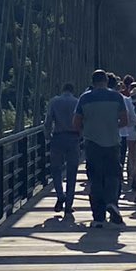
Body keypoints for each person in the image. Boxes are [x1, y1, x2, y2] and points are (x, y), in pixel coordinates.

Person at [73, 70, 127, 228]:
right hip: (113, 141)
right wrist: (111, 126)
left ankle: (98, 216)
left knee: (95, 178)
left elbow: (76, 123)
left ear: (93, 81)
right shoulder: (117, 97)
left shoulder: (85, 98)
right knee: (113, 175)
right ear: (106, 80)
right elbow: (124, 121)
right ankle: (112, 202)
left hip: (92, 143)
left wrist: (88, 128)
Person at [45, 80, 80, 215]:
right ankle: (69, 204)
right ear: (72, 90)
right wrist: (80, 135)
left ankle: (60, 194)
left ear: (62, 90)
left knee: (56, 169)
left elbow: (48, 120)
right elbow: (81, 120)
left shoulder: (54, 101)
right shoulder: (77, 102)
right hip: (73, 138)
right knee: (72, 172)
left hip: (58, 137)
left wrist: (48, 135)